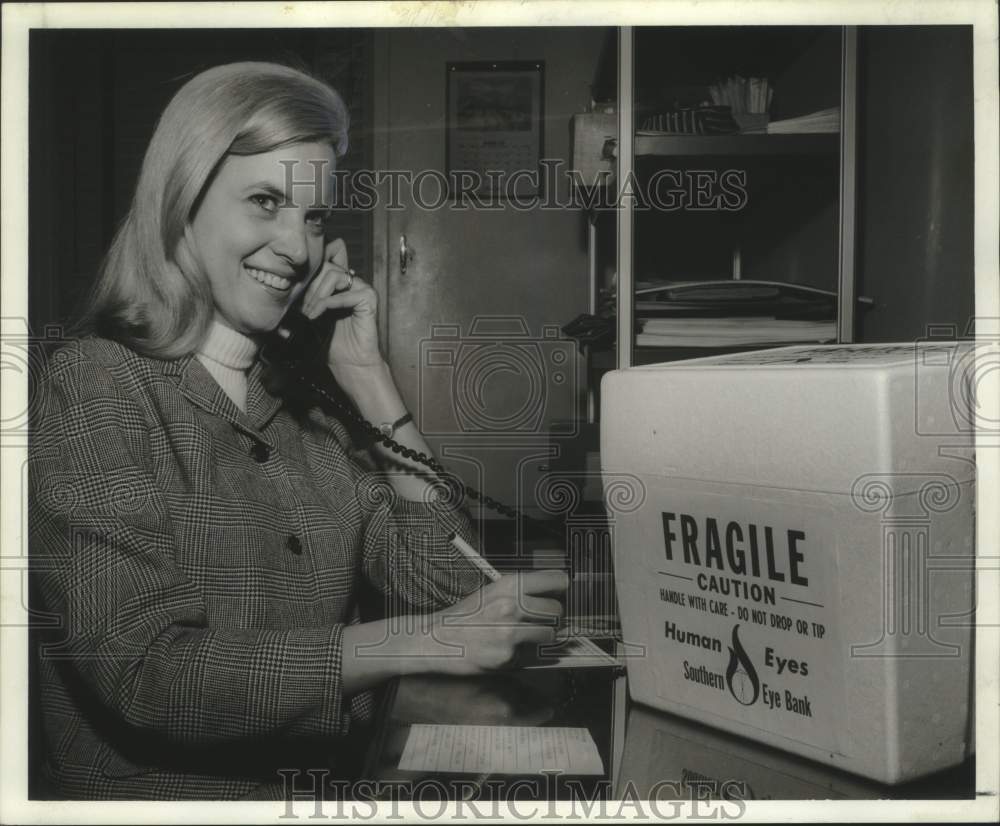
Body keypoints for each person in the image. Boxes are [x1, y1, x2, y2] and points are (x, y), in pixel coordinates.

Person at [29, 61, 567, 801]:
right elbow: (142, 675)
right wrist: (402, 643)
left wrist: (369, 375)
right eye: (265, 201)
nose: (296, 246)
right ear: (180, 202)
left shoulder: (300, 405)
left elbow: (449, 583)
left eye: (312, 217)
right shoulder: (95, 384)